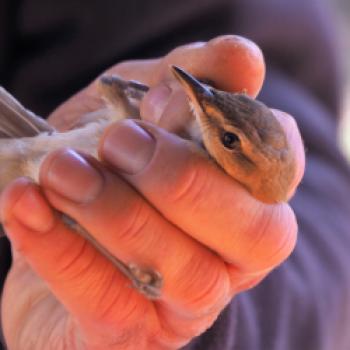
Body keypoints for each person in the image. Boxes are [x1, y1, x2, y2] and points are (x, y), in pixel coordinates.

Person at [0, 0, 349, 349]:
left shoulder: (189, 149)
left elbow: (329, 255)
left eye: (228, 140)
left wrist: (190, 321)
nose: (201, 99)